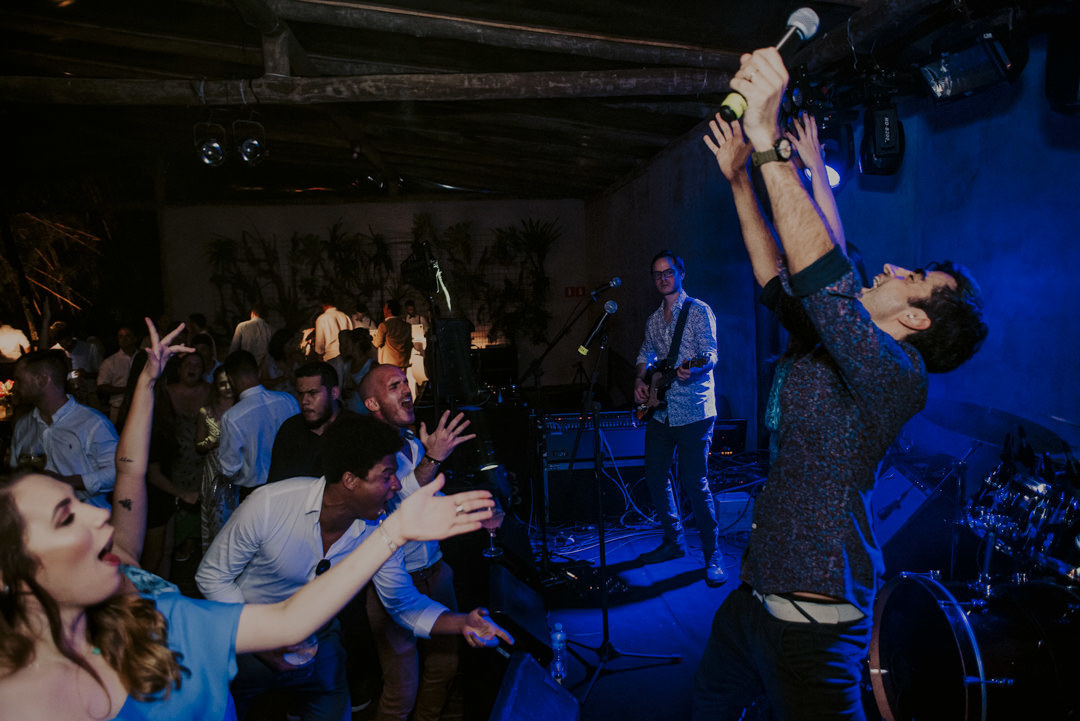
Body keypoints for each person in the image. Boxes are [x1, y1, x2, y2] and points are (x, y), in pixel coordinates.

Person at [0, 318, 500, 721]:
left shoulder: (153, 603)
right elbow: (195, 484)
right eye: (65, 517)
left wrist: (148, 381)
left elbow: (128, 470)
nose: (99, 517)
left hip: (305, 637)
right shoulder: (20, 699)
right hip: (250, 623)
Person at [693, 47, 988, 721]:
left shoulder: (899, 374)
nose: (892, 267)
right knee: (707, 707)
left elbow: (825, 270)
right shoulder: (842, 334)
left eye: (913, 277)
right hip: (755, 596)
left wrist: (767, 143)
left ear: (916, 319)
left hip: (814, 626)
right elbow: (777, 279)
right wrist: (739, 182)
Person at [195, 414, 511, 721]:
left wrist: (463, 622)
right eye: (387, 476)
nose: (397, 486)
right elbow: (212, 576)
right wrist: (261, 641)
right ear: (350, 480)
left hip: (319, 642)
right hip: (243, 638)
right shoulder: (268, 505)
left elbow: (402, 603)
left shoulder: (380, 529)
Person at [360, 364, 477, 721]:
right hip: (394, 582)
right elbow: (397, 500)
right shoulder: (367, 449)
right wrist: (434, 458)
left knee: (445, 669)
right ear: (372, 403)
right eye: (394, 386)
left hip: (436, 572)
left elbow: (427, 500)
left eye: (405, 383)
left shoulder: (412, 442)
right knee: (401, 690)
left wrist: (472, 509)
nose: (406, 390)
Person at [632, 250, 725, 587]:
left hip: (694, 411)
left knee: (694, 482)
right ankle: (674, 541)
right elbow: (645, 353)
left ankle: (713, 554)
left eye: (668, 272)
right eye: (657, 273)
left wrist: (696, 369)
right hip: (661, 411)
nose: (663, 278)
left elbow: (710, 353)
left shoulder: (698, 311)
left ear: (681, 273)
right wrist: (640, 380)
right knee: (656, 475)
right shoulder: (654, 320)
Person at [8, 349, 118, 511]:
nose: (14, 387)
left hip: (85, 519)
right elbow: (15, 471)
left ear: (42, 380)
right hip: (38, 520)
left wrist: (67, 481)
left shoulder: (93, 423)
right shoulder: (24, 425)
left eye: (19, 380)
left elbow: (117, 472)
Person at [218, 350, 300, 500]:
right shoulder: (288, 400)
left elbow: (229, 468)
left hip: (254, 493)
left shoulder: (232, 417)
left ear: (230, 379)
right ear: (259, 372)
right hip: (291, 484)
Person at [266, 361, 359, 484]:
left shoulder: (357, 431)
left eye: (313, 393)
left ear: (334, 393)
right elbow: (276, 483)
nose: (304, 401)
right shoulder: (290, 429)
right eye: (300, 394)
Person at [196, 365, 236, 553]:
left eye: (230, 383)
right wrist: (211, 442)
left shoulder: (242, 407)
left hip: (238, 470)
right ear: (216, 387)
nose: (227, 388)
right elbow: (198, 445)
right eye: (222, 384)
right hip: (214, 470)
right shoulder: (206, 411)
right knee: (216, 518)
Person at [97, 326, 140, 424]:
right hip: (118, 408)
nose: (124, 339)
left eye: (127, 336)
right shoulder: (110, 362)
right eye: (121, 336)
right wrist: (127, 389)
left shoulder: (144, 358)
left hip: (142, 407)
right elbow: (101, 386)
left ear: (135, 338)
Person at [229, 305, 273, 369]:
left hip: (247, 365)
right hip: (265, 367)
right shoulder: (270, 329)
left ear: (252, 314)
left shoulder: (242, 326)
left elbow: (233, 349)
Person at [372, 300, 412, 371]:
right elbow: (409, 344)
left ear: (389, 311)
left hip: (388, 365)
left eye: (385, 308)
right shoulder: (407, 326)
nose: (383, 310)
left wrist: (373, 338)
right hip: (403, 363)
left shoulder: (384, 326)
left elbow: (377, 344)